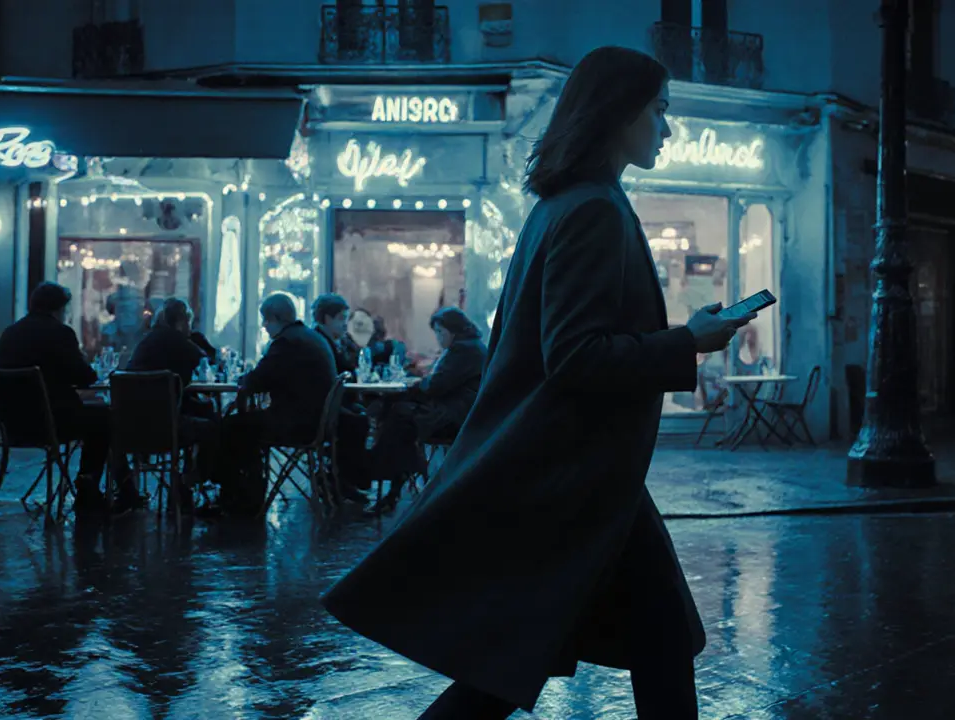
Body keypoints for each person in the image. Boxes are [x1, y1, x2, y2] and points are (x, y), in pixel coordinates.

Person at [320, 46, 755, 719]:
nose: (668, 130)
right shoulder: (594, 210)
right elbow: (576, 356)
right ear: (620, 112)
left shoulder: (566, 204)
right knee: (633, 642)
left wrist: (680, 338)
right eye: (660, 111)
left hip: (579, 474)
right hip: (574, 475)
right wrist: (687, 341)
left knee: (599, 644)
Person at [0, 282, 141, 513]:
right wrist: (80, 360)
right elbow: (85, 378)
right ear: (59, 309)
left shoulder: (9, 333)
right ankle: (90, 489)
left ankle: (119, 488)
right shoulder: (60, 333)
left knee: (99, 417)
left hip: (12, 424)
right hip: (50, 422)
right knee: (105, 419)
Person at [214, 293, 339, 514]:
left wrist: (242, 380)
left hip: (297, 424)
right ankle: (244, 495)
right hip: (317, 422)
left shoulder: (287, 342)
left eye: (266, 320)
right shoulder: (309, 337)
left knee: (230, 428)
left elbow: (258, 379)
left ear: (275, 318)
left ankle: (240, 499)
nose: (263, 326)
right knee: (243, 426)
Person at [366, 306, 486, 513]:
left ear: (452, 330)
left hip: (454, 416)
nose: (438, 337)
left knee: (397, 419)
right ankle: (409, 475)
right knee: (397, 417)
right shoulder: (469, 346)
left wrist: (416, 384)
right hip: (458, 411)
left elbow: (435, 386)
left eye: (440, 332)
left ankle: (395, 476)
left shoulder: (464, 350)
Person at [125, 298, 220, 505]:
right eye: (189, 323)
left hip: (128, 428)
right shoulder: (182, 344)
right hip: (169, 427)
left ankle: (125, 489)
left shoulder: (145, 341)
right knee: (213, 426)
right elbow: (210, 364)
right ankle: (191, 482)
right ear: (182, 322)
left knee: (198, 411)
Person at [310, 293, 374, 504]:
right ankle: (344, 480)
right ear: (328, 318)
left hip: (331, 403)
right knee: (357, 420)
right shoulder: (320, 342)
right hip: (318, 409)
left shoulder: (331, 341)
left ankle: (345, 479)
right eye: (341, 318)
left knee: (360, 415)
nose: (345, 324)